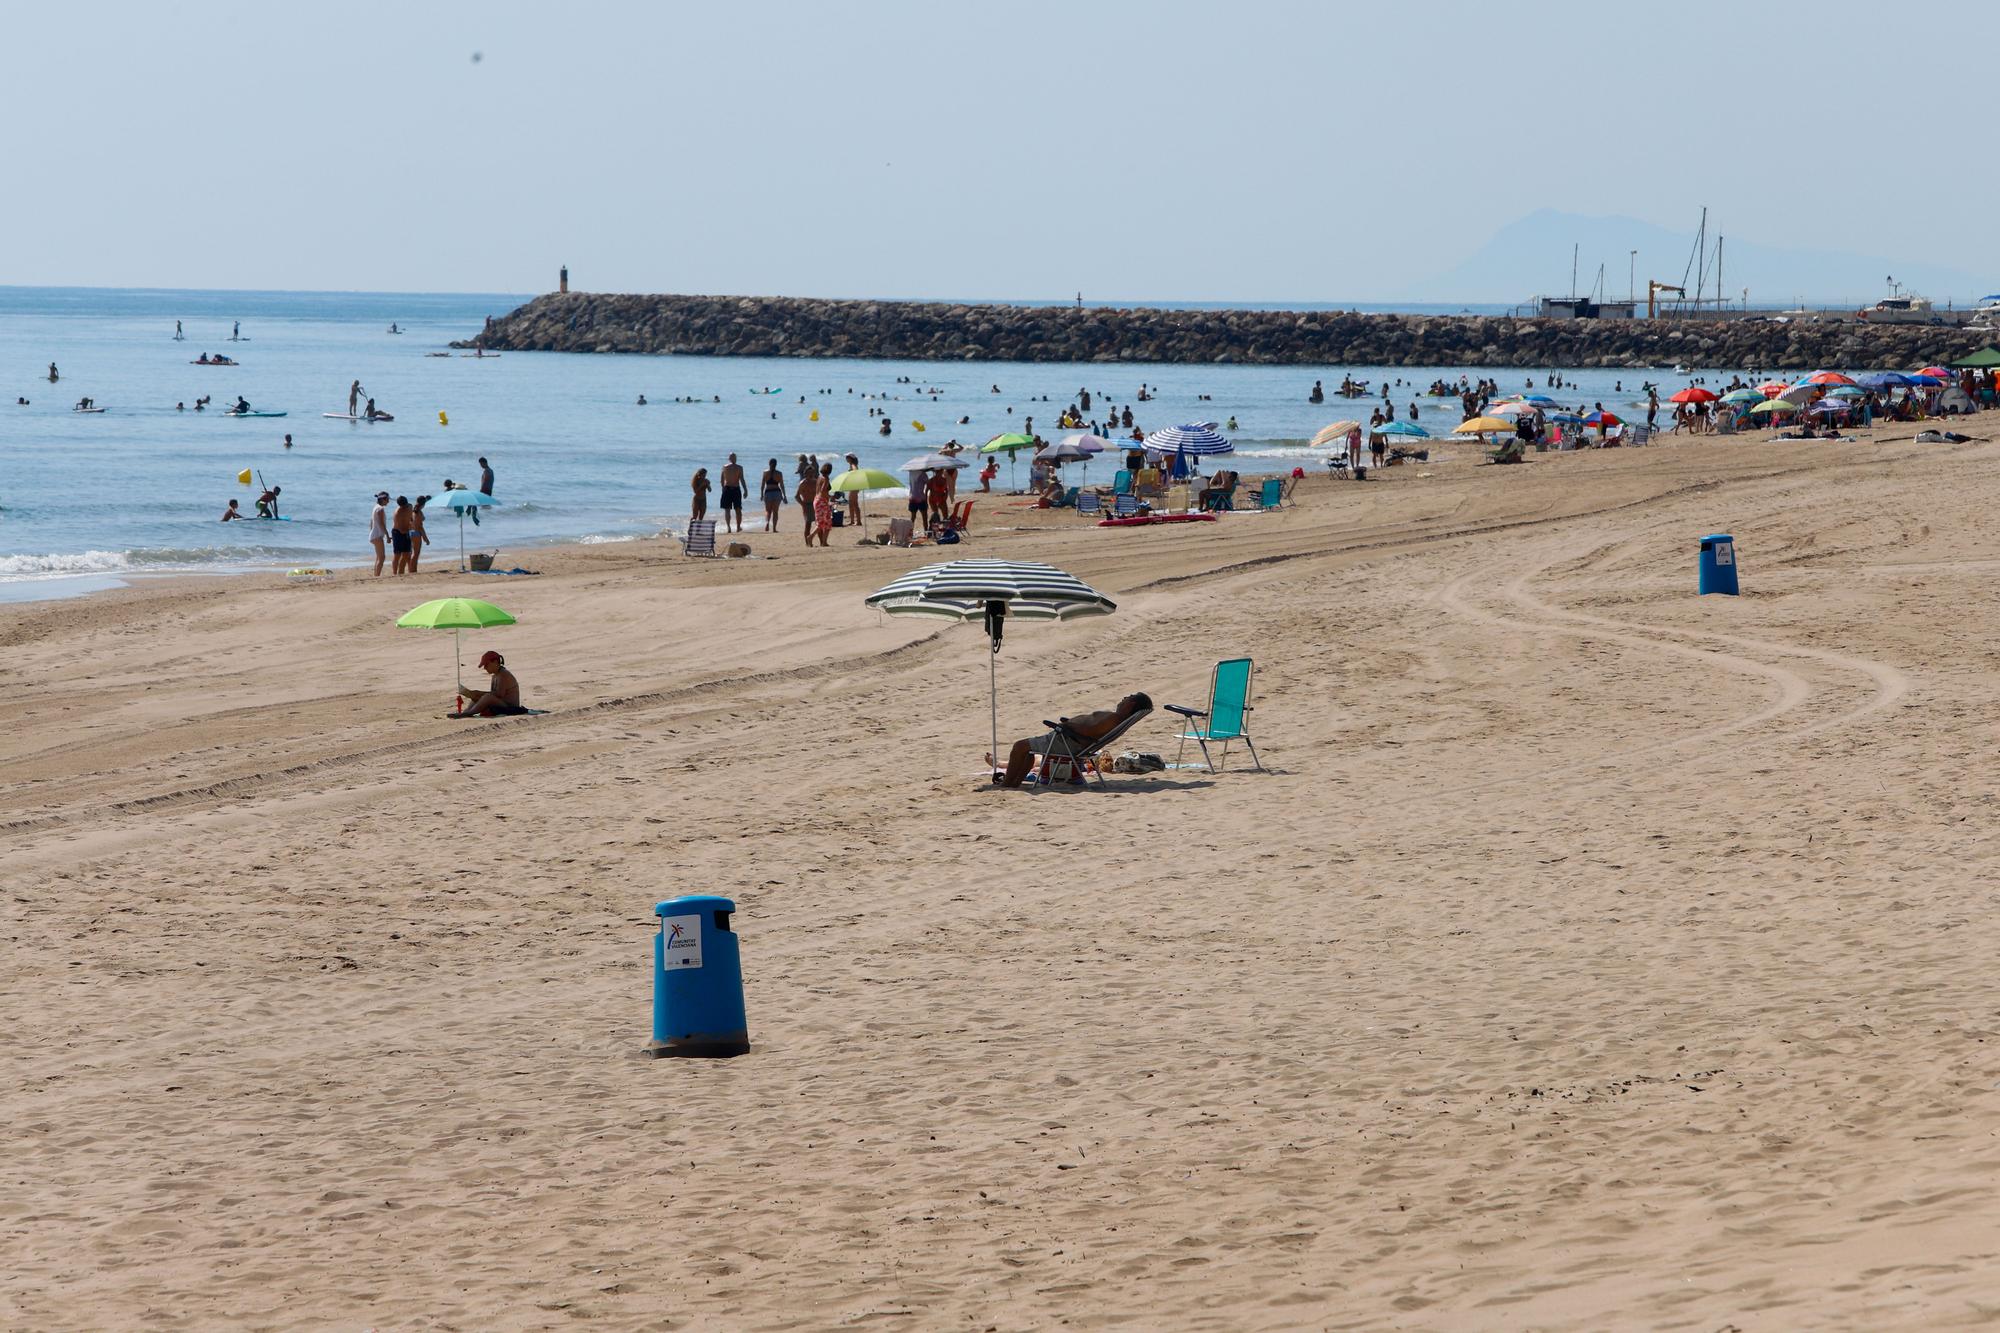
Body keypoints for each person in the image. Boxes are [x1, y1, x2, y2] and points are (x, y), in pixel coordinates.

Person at [990, 693, 1152, 788]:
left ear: (1131, 704)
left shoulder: (1114, 719)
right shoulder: (1116, 719)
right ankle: (1013, 781)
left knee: (1020, 746)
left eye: (1127, 698)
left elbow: (1089, 731)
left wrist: (1068, 725)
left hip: (1067, 741)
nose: (1123, 699)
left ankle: (1008, 784)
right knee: (1027, 750)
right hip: (1072, 741)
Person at [455, 650, 528, 717]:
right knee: (476, 697)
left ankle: (469, 713)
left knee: (486, 697)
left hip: (511, 707)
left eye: (486, 665)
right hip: (501, 704)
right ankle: (467, 711)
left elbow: (499, 694)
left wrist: (479, 693)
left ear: (495, 662)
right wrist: (475, 695)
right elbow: (493, 694)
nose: (485, 668)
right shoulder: (495, 676)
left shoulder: (504, 674)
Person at [719, 453, 746, 533]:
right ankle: (738, 527)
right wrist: (745, 490)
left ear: (729, 458)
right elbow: (742, 480)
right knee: (738, 509)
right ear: (735, 458)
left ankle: (728, 527)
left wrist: (723, 489)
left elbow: (721, 480)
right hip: (736, 489)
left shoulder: (725, 467)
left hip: (727, 489)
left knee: (727, 510)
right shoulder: (739, 468)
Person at [391, 496, 415, 575]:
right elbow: (401, 529)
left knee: (407, 553)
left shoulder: (410, 506)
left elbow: (411, 516)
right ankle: (395, 573)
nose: (405, 507)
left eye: (406, 505)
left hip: (406, 532)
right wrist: (409, 529)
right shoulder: (398, 513)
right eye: (403, 506)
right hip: (398, 533)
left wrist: (411, 523)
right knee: (397, 554)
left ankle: (401, 572)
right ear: (400, 505)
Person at [812, 461, 834, 547]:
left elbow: (818, 491)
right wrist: (830, 497)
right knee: (825, 523)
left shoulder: (819, 477)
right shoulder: (826, 479)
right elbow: (822, 491)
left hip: (817, 500)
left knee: (824, 522)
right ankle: (811, 537)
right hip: (822, 501)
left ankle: (824, 542)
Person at [760, 458, 786, 532]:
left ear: (769, 464)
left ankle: (767, 523)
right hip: (777, 493)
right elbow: (782, 485)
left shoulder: (765, 472)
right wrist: (784, 496)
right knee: (775, 512)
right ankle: (774, 528)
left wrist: (761, 495)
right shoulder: (779, 473)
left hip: (768, 492)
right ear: (776, 464)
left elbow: (762, 485)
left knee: (768, 511)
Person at [369, 491, 390, 576]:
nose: (388, 502)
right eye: (387, 500)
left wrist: (371, 532)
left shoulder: (375, 507)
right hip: (377, 536)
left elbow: (371, 522)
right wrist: (388, 536)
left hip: (374, 535)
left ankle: (375, 575)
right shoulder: (380, 509)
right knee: (382, 558)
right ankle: (377, 576)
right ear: (383, 499)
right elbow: (381, 524)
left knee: (378, 557)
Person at [410, 495, 430, 571]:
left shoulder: (415, 510)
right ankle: (412, 570)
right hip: (416, 533)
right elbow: (419, 527)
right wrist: (425, 538)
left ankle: (413, 569)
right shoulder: (417, 512)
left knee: (415, 553)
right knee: (415, 553)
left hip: (412, 532)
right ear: (423, 504)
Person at [472, 455, 493, 526]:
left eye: (481, 464)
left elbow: (485, 481)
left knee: (483, 505)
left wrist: (481, 490)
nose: (480, 466)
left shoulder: (487, 471)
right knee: (486, 505)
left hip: (485, 490)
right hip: (489, 490)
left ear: (484, 463)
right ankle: (487, 520)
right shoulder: (490, 470)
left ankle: (484, 521)